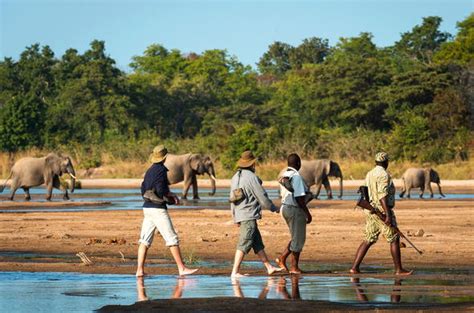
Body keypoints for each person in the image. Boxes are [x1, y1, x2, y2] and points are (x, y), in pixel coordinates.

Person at [136, 145, 198, 277]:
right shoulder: (161, 170)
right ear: (165, 157)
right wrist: (170, 196)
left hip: (146, 208)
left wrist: (165, 194)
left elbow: (143, 188)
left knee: (144, 240)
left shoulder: (149, 170)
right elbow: (160, 189)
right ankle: (181, 268)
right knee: (172, 238)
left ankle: (139, 271)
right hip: (158, 210)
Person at [350, 152, 413, 276]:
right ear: (386, 162)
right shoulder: (384, 175)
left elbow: (365, 191)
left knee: (369, 238)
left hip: (370, 210)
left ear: (376, 162)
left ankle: (354, 268)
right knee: (394, 238)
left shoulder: (370, 173)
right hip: (381, 210)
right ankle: (399, 270)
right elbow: (382, 196)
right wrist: (387, 215)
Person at [230, 150, 282, 278]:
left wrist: (234, 217)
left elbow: (232, 199)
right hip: (248, 215)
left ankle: (269, 267)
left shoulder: (235, 177)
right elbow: (262, 197)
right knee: (244, 242)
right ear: (252, 164)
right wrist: (274, 208)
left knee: (257, 243)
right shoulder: (252, 177)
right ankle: (235, 272)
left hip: (241, 215)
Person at [275, 153, 312, 274]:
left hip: (285, 208)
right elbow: (299, 198)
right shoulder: (296, 176)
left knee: (295, 237)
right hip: (294, 209)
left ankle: (282, 258)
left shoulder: (285, 174)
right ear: (299, 163)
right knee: (298, 239)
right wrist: (307, 213)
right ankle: (294, 267)